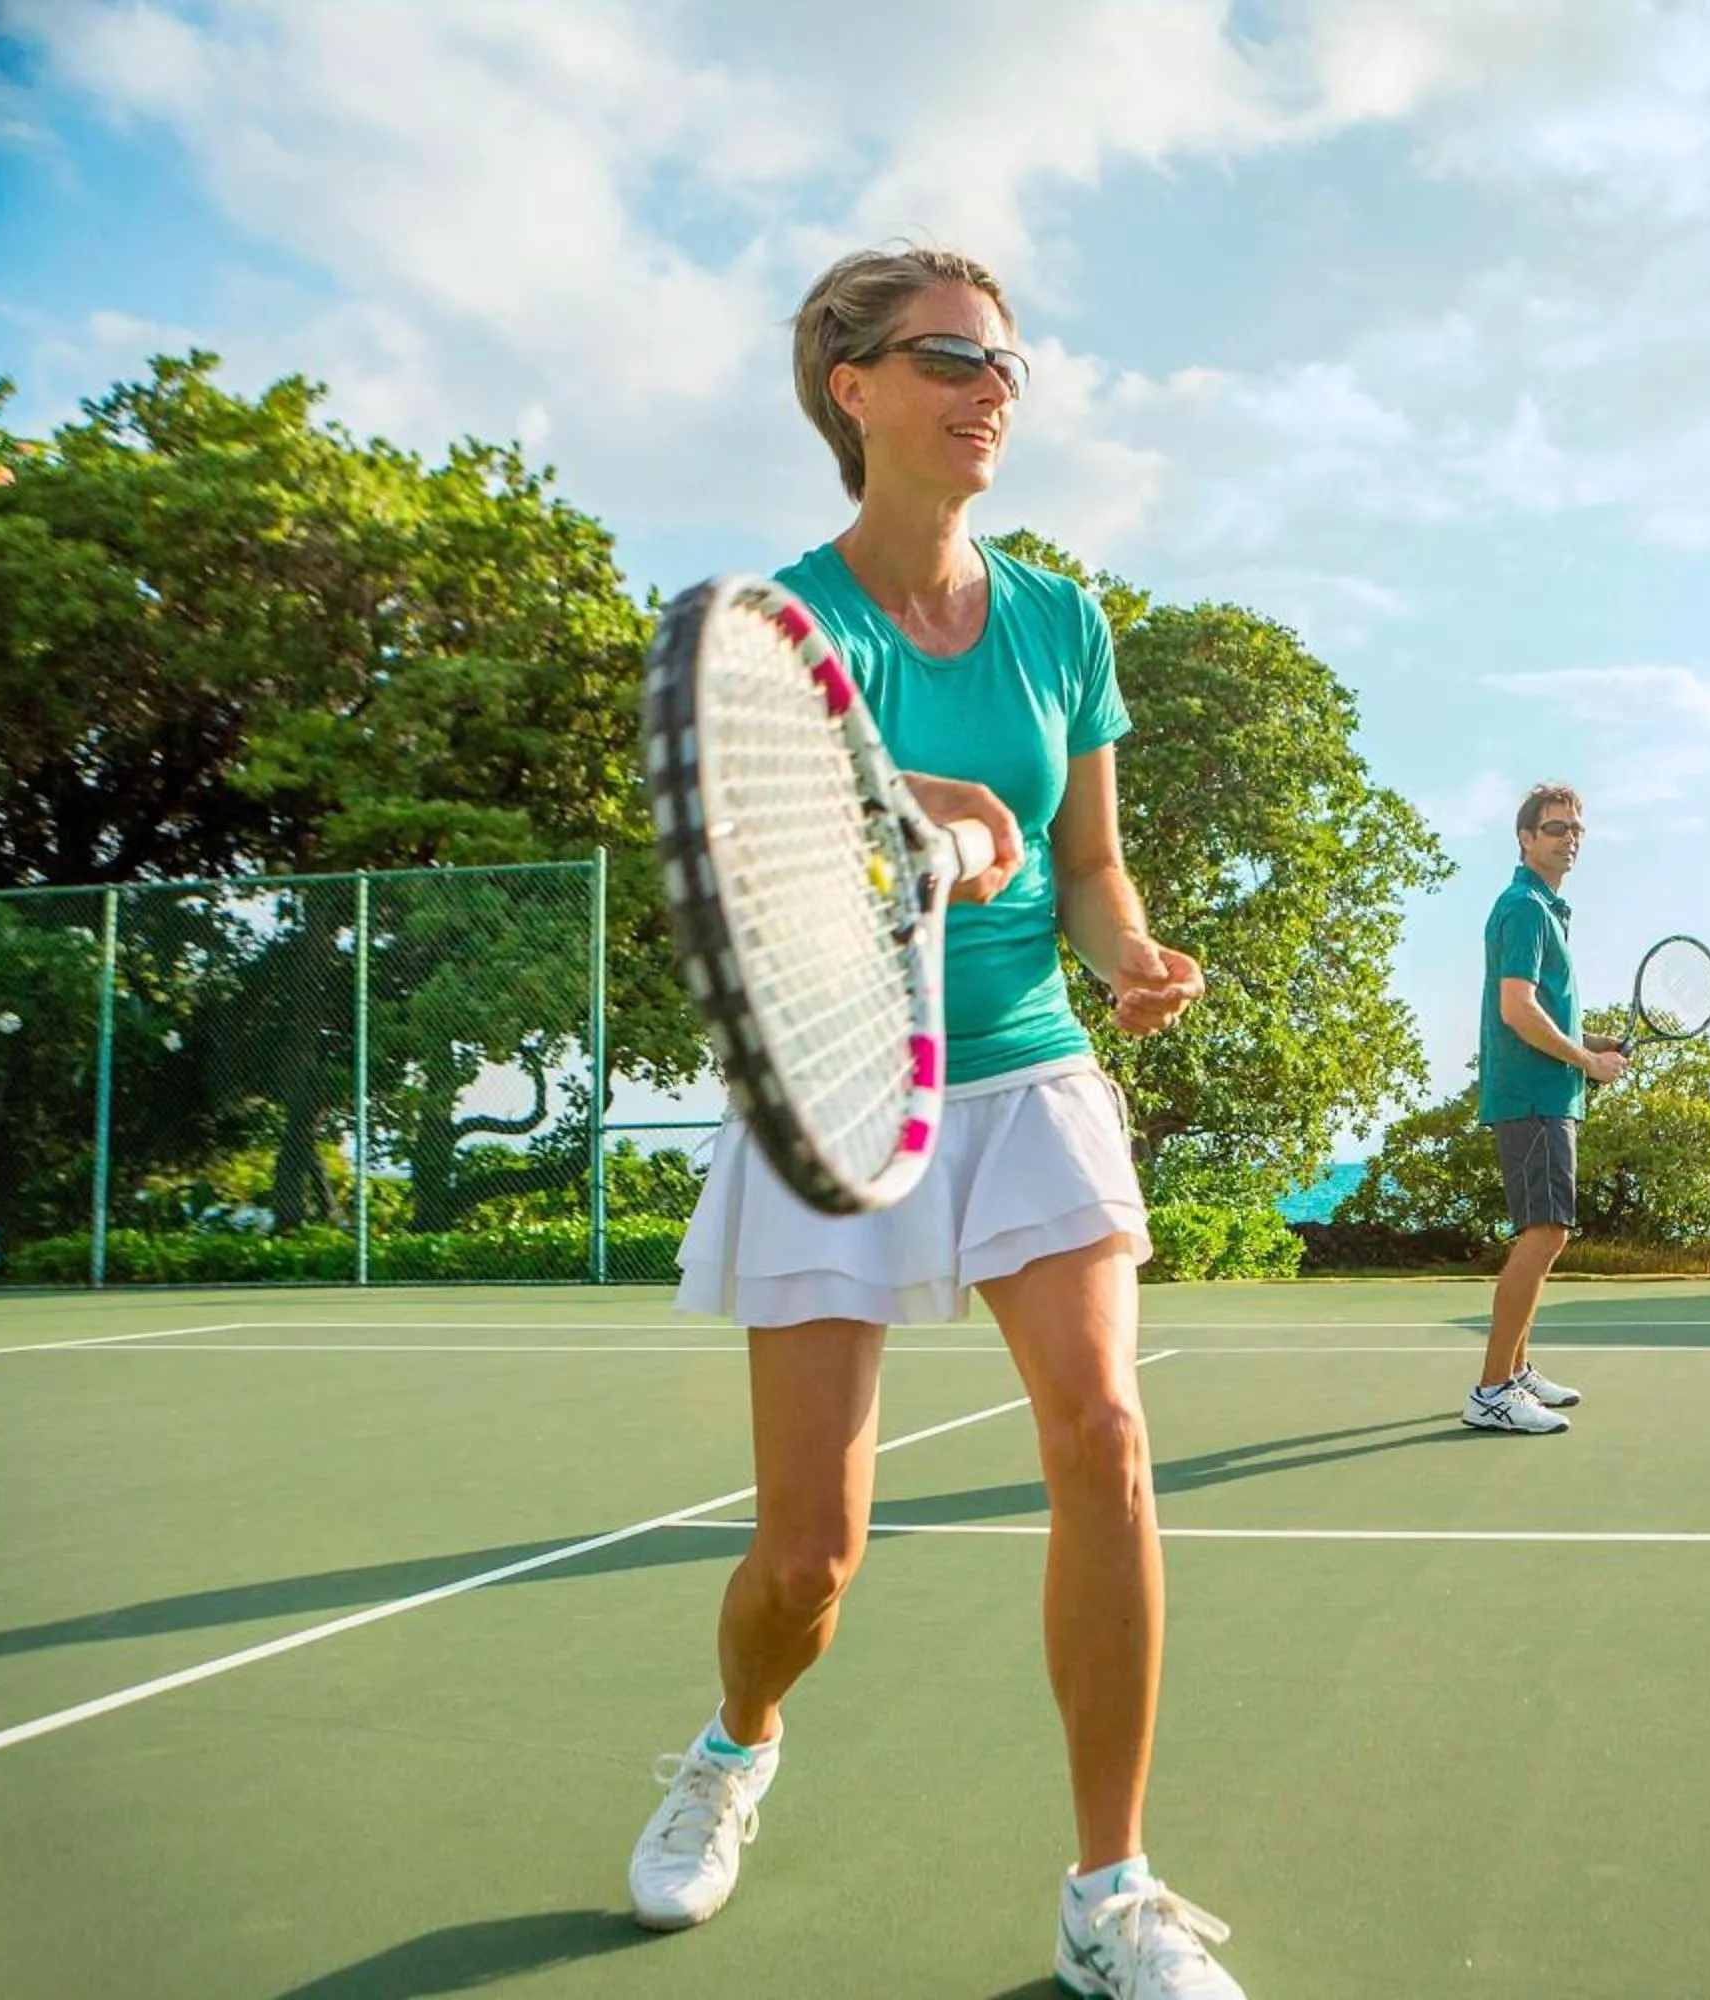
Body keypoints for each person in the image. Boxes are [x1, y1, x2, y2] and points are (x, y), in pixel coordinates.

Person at [632, 245, 1244, 2000]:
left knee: (1105, 1436)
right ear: (854, 388)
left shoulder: (1062, 622)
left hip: (1029, 1064)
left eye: (1006, 367)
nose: (991, 390)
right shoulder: (785, 630)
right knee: (806, 1563)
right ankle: (736, 1744)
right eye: (950, 358)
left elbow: (1089, 861)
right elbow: (780, 830)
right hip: (839, 1086)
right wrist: (923, 818)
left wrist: (1127, 956)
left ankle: (1109, 1891)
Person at [1465, 782, 1627, 1435]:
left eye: (1576, 829)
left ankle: (1517, 1370)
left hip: (1546, 1094)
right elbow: (1517, 1009)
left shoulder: (1543, 909)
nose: (1570, 838)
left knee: (1545, 1232)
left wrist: (1592, 1042)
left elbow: (1540, 1012)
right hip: (1533, 1097)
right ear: (1526, 839)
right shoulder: (1526, 908)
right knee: (1546, 1233)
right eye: (1556, 828)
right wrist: (1586, 1062)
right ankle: (1492, 1390)